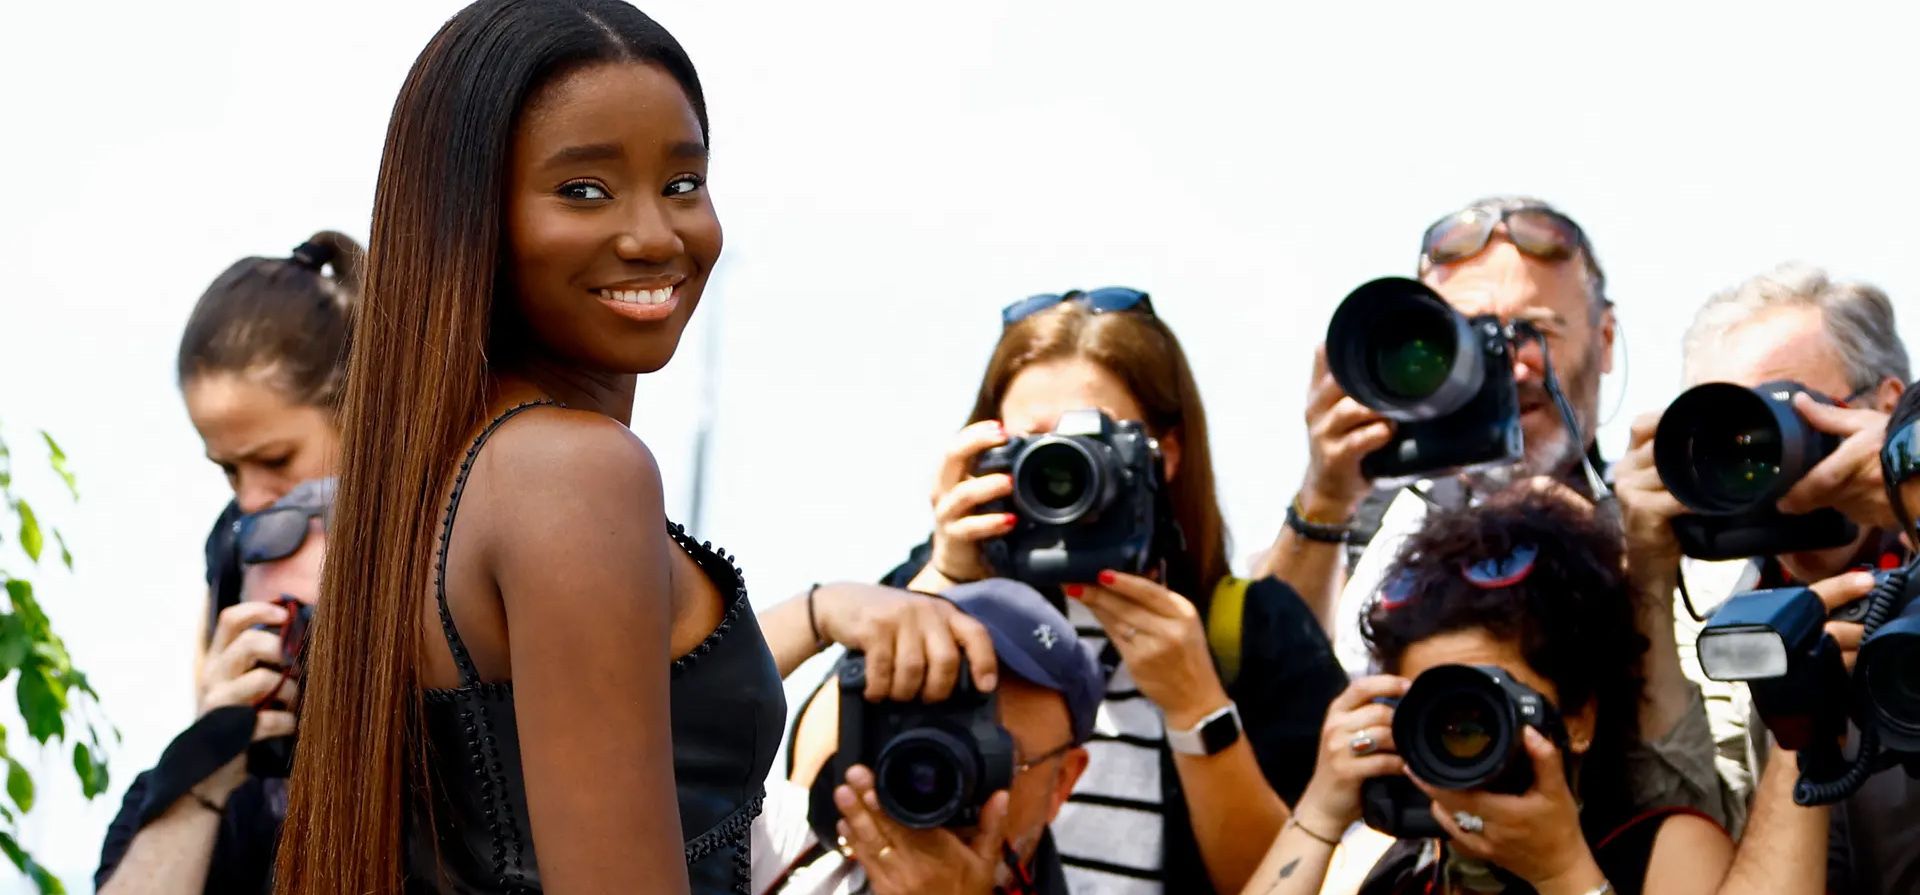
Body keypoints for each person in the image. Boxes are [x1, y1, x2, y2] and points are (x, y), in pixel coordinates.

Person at [274, 3, 783, 892]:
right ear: (470, 217)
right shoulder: (575, 474)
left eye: (683, 182)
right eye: (584, 190)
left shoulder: (434, 480)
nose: (655, 235)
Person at [868, 289, 1348, 894]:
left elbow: (1302, 877)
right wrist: (943, 584)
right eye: (1031, 443)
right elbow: (819, 790)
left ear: (1165, 454)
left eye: (1090, 439)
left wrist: (1197, 709)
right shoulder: (935, 597)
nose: (1060, 466)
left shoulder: (1255, 631)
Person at [1243, 492, 1733, 895]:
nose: (1462, 734)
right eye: (1435, 707)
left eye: (1488, 704)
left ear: (1578, 716)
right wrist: (1319, 816)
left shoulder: (1666, 849)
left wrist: (1561, 873)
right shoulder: (1399, 874)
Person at [1613, 264, 1910, 833]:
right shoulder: (1702, 607)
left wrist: (1910, 487)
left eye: (1781, 411)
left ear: (1886, 407)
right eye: (1725, 429)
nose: (1753, 453)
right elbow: (1681, 820)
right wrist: (1648, 576)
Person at [756, 579, 1103, 895]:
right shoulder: (788, 847)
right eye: (924, 733)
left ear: (1062, 782)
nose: (942, 766)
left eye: (993, 752)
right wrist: (814, 614)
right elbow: (718, 706)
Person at [96, 479, 331, 895]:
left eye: (317, 626)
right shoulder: (181, 795)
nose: (298, 656)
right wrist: (204, 773)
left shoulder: (445, 774)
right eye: (278, 628)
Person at [175, 231, 358, 685]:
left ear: (361, 414)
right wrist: (219, 718)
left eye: (276, 460)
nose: (250, 499)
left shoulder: (461, 526)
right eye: (229, 469)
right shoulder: (230, 552)